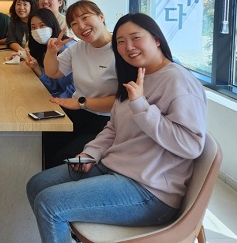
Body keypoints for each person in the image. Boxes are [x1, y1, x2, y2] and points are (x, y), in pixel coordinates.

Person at [26, 13, 207, 242]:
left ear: (156, 39)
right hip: (114, 167)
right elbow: (113, 127)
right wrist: (90, 153)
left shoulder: (179, 82)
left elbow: (191, 145)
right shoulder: (134, 74)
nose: (128, 47)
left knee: (49, 203)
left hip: (150, 190)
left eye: (135, 38)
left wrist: (141, 106)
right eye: (120, 41)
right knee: (36, 184)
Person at [41, 0, 117, 168]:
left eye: (85, 17)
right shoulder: (78, 48)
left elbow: (123, 100)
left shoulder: (120, 50)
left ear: (101, 16)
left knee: (64, 157)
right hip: (79, 113)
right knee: (43, 138)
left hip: (107, 122)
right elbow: (53, 72)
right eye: (74, 24)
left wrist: (81, 103)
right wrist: (51, 52)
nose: (81, 26)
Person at [22, 8, 75, 99]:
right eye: (33, 27)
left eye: (42, 25)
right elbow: (53, 88)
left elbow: (77, 89)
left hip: (74, 102)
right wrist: (36, 67)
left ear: (52, 25)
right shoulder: (41, 48)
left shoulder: (68, 48)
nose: (38, 31)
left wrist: (57, 100)